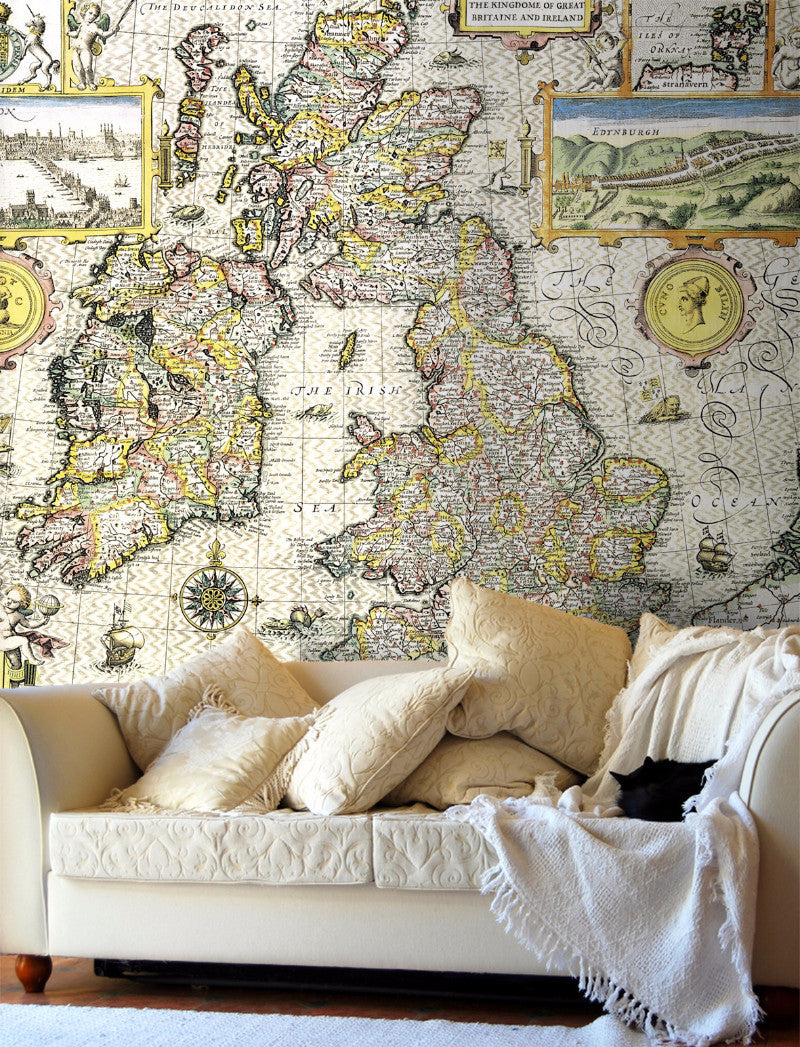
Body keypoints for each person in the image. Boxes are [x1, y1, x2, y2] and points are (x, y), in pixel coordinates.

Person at [67, 0, 133, 90]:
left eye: (94, 15)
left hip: (85, 50)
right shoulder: (82, 25)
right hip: (75, 49)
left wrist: (112, 31)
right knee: (78, 68)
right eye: (90, 13)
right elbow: (76, 34)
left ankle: (91, 82)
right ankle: (82, 83)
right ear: (84, 12)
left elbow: (103, 34)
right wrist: (68, 33)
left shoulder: (94, 26)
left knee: (87, 68)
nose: (92, 17)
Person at [18, 12, 60, 89]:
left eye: (32, 22)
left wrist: (23, 54)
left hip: (46, 60)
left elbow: (27, 44)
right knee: (32, 67)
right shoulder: (32, 35)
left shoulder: (34, 37)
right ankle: (31, 76)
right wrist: (17, 31)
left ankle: (48, 83)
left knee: (44, 70)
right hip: (41, 60)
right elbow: (26, 38)